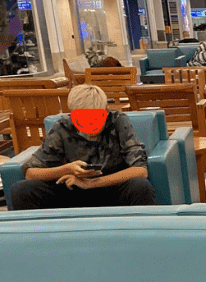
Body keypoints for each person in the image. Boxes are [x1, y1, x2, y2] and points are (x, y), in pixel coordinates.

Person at [9, 85, 155, 211]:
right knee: (21, 190)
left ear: (105, 110)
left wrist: (91, 183)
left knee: (140, 186)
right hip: (72, 189)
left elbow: (140, 171)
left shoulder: (118, 121)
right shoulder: (62, 127)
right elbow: (31, 173)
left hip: (111, 186)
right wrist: (67, 169)